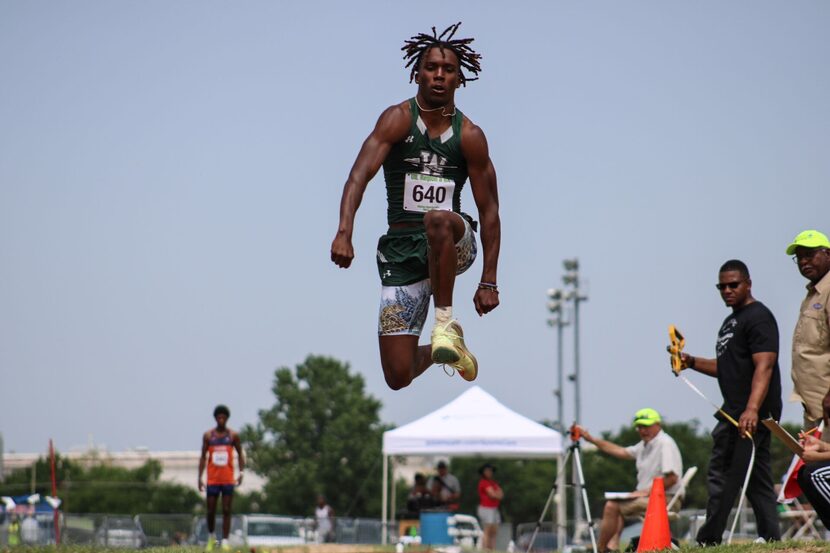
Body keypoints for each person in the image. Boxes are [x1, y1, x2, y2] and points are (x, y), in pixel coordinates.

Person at [330, 22, 501, 390]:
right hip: (402, 251)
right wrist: (345, 232)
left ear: (460, 79)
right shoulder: (396, 119)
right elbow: (358, 177)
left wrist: (489, 280)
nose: (439, 75)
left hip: (454, 242)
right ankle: (453, 349)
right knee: (398, 375)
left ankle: (444, 325)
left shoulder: (469, 136)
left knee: (437, 220)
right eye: (431, 68)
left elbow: (489, 213)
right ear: (417, 73)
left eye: (448, 70)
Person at [672, 259, 782, 545]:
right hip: (736, 409)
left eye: (733, 285)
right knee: (755, 476)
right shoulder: (730, 322)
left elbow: (765, 365)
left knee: (723, 474)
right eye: (722, 286)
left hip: (747, 413)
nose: (727, 291)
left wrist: (752, 408)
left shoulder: (758, 316)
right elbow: (728, 367)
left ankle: (709, 539)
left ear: (748, 283)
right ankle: (770, 537)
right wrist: (692, 362)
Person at [576, 408, 683, 553]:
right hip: (652, 497)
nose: (642, 430)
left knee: (612, 506)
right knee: (617, 505)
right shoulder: (645, 445)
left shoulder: (665, 443)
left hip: (665, 498)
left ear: (658, 424)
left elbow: (672, 478)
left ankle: (600, 549)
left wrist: (642, 493)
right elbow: (620, 451)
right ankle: (612, 547)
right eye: (639, 427)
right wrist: (592, 439)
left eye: (646, 426)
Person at [786, 230, 830, 431]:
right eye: (800, 257)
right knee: (813, 462)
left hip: (827, 407)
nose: (804, 262)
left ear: (827, 254)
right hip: (814, 409)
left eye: (810, 255)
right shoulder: (813, 295)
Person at [198, 405, 245, 552]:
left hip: (227, 479)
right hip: (213, 479)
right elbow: (203, 457)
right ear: (215, 418)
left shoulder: (233, 436)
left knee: (226, 509)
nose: (221, 419)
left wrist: (241, 472)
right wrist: (199, 477)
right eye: (218, 416)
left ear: (227, 418)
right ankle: (211, 538)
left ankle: (225, 541)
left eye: (223, 416)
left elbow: (240, 454)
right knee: (211, 510)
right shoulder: (208, 436)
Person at [477, 463, 503, 550]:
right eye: (487, 471)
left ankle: (492, 549)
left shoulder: (493, 483)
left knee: (494, 531)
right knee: (487, 530)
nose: (489, 472)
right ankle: (485, 549)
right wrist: (496, 494)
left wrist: (496, 494)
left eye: (490, 471)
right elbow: (492, 494)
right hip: (486, 508)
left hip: (494, 508)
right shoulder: (483, 482)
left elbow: (500, 494)